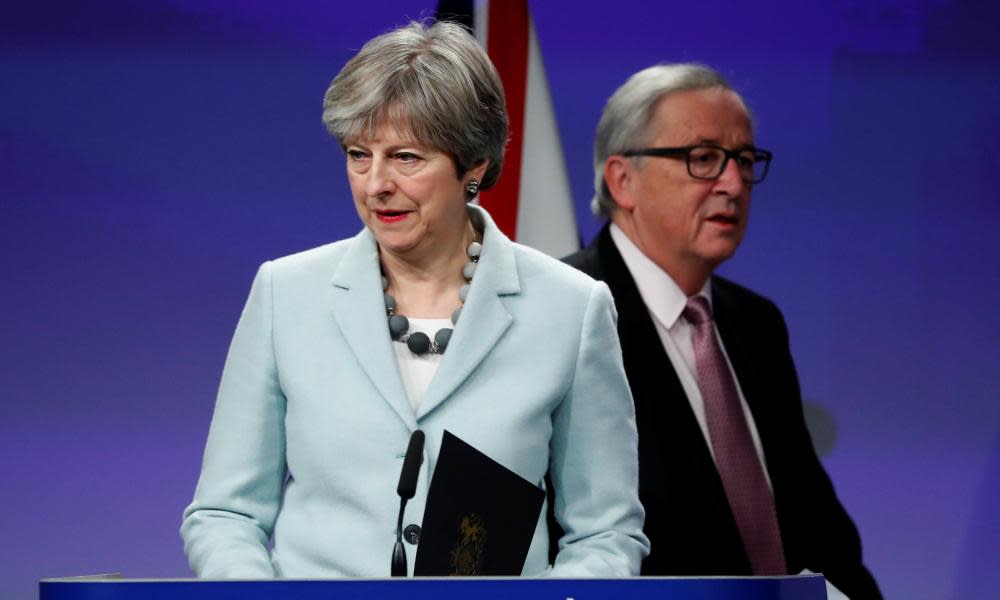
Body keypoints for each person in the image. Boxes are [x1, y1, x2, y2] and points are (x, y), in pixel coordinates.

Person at [180, 21, 648, 578]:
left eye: (405, 157)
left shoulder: (570, 308)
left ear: (473, 166)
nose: (375, 183)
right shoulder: (286, 294)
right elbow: (224, 513)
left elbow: (605, 532)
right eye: (359, 154)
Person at [563, 64, 881, 598]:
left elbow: (820, 531)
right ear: (622, 180)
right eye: (703, 158)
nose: (733, 184)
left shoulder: (755, 323)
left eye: (744, 160)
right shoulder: (562, 308)